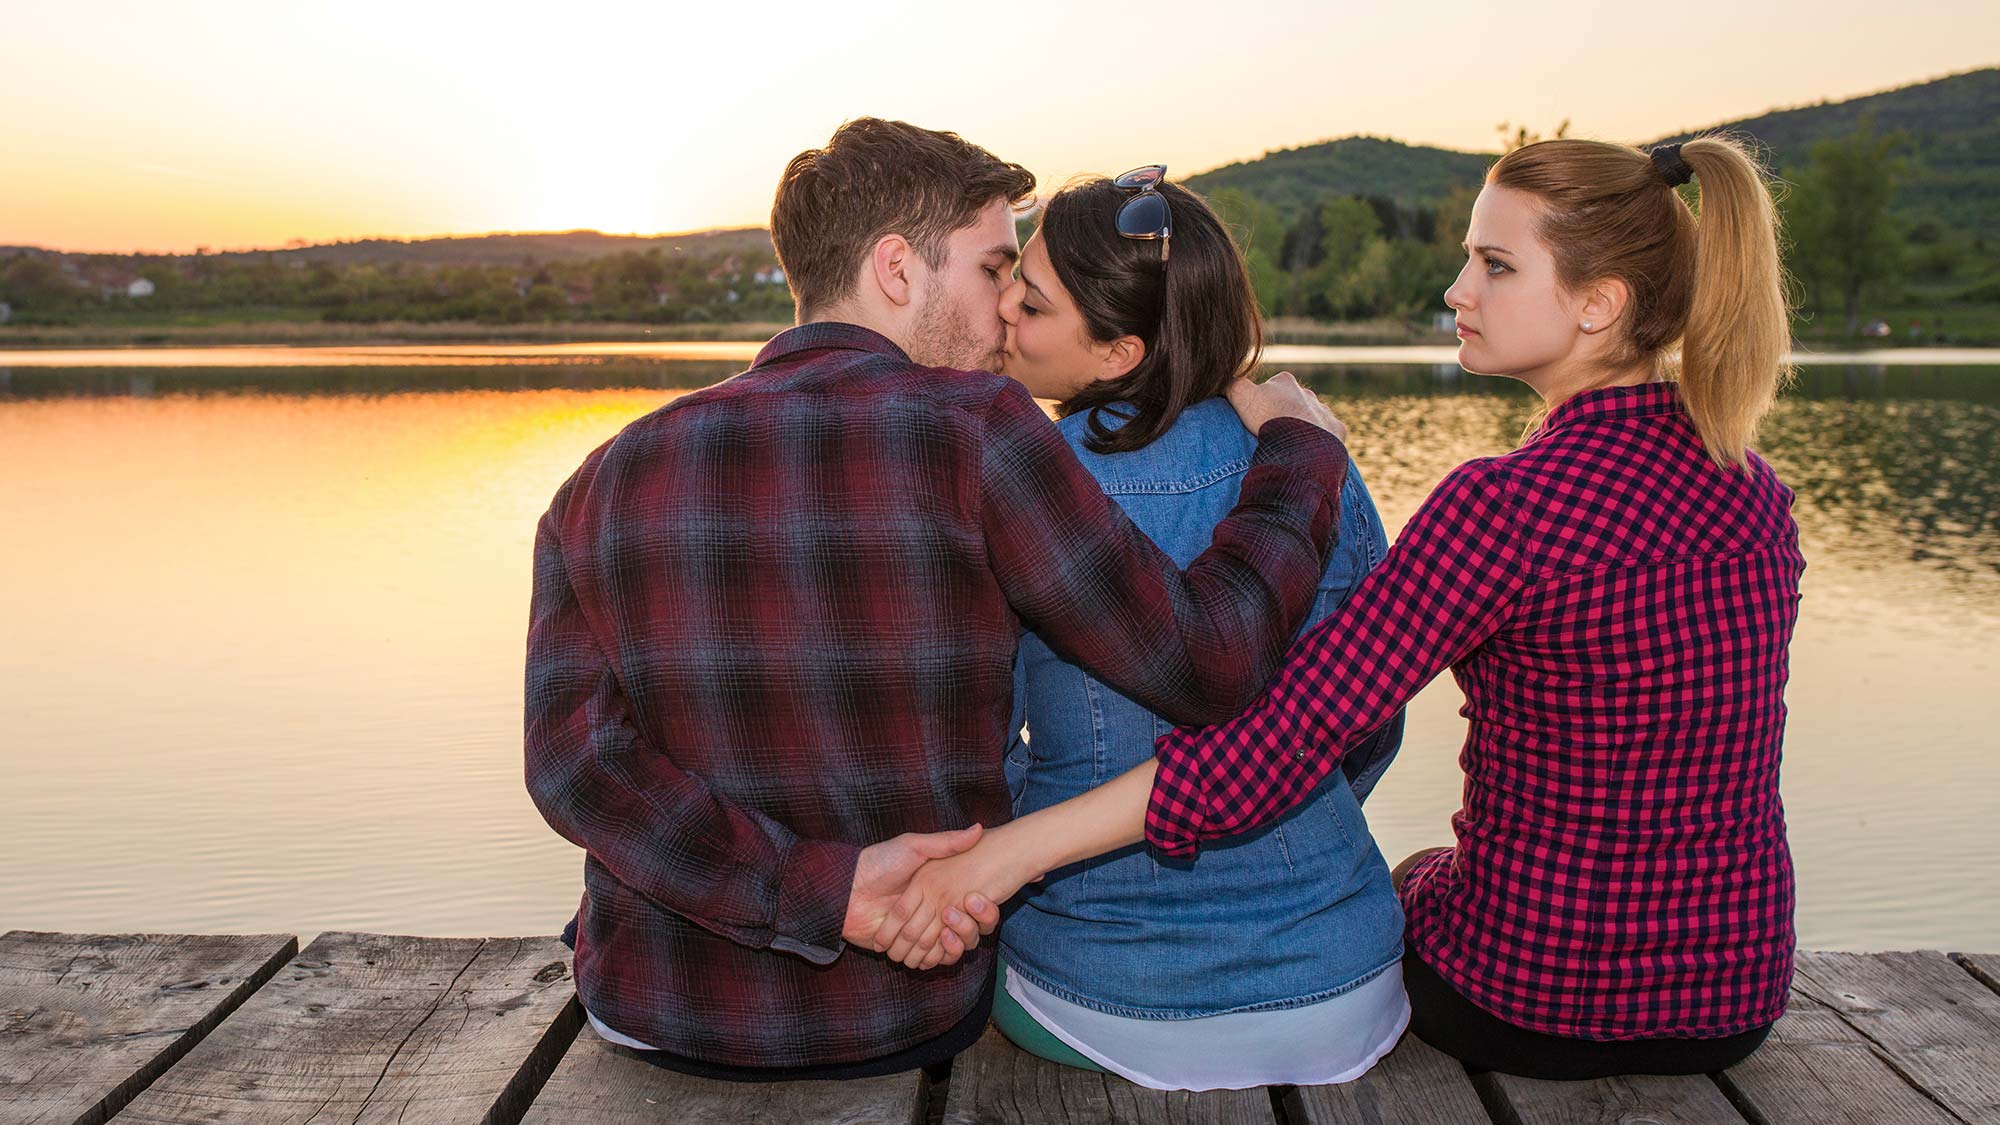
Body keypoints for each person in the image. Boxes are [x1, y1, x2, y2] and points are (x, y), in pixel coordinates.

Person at [886, 134, 1803, 1082]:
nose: (1458, 290)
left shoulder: (1505, 509)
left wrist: (994, 861)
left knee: (1422, 881)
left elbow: (1272, 746)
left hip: (1533, 999)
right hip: (1735, 999)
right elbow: (1365, 740)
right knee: (1409, 878)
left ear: (1598, 306)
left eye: (1494, 265)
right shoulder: (1756, 493)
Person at [522, 118, 1352, 1081]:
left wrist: (819, 893)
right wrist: (1301, 456)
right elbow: (1208, 663)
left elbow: (573, 768)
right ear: (896, 270)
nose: (1008, 309)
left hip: (655, 1010)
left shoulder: (599, 479)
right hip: (908, 1010)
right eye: (994, 268)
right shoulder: (980, 433)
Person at [983, 168, 1409, 1091]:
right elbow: (1371, 721)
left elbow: (981, 747)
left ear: (1117, 352)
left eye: (1033, 301)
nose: (1003, 308)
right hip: (1342, 979)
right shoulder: (1308, 452)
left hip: (1103, 990)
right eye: (1014, 275)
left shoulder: (1024, 481)